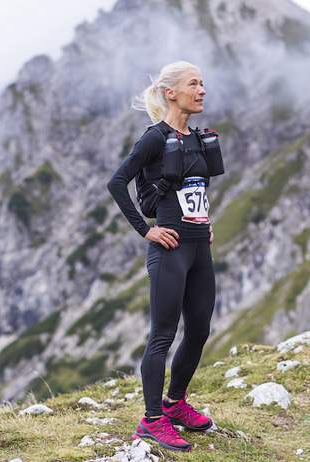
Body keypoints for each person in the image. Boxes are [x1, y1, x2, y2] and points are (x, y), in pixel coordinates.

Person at [106, 60, 222, 452]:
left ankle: (174, 404)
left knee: (200, 330)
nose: (202, 89)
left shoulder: (196, 137)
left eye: (203, 83)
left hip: (199, 248)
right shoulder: (154, 138)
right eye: (194, 83)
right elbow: (117, 182)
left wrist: (206, 220)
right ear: (171, 92)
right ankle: (151, 420)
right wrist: (146, 229)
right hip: (169, 251)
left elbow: (194, 188)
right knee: (162, 336)